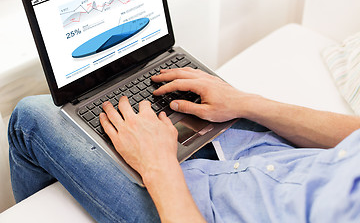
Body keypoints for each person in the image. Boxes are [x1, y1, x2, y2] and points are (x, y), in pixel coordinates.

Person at [8, 67, 360, 222]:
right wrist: (247, 102)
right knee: (174, 86)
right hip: (270, 157)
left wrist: (158, 165)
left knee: (31, 117)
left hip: (191, 211)